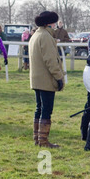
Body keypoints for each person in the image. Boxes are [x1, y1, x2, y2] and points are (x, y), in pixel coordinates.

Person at [29, 11, 65, 148]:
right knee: (46, 110)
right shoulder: (46, 37)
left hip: (36, 79)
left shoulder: (36, 35)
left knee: (39, 108)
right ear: (50, 23)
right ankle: (43, 141)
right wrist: (59, 77)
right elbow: (51, 60)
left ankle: (37, 138)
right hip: (46, 79)